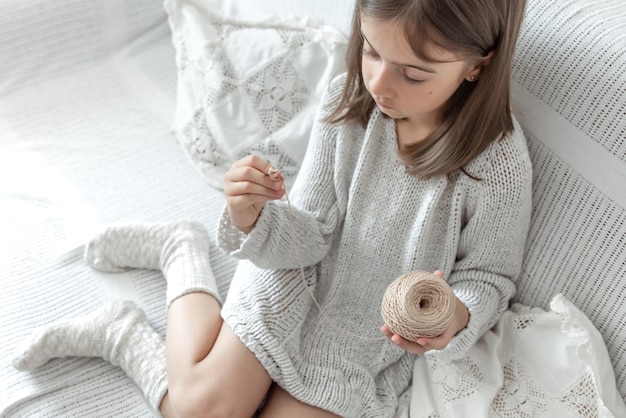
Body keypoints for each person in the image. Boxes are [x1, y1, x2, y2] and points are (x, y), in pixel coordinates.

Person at [12, 0, 531, 416]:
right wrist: (252, 218)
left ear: (477, 66)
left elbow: (490, 276)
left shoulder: (498, 162)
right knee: (201, 410)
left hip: (365, 339)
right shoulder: (347, 103)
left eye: (413, 75)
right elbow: (309, 231)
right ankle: (172, 264)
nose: (379, 85)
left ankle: (140, 304)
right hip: (294, 279)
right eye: (371, 51)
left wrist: (457, 317)